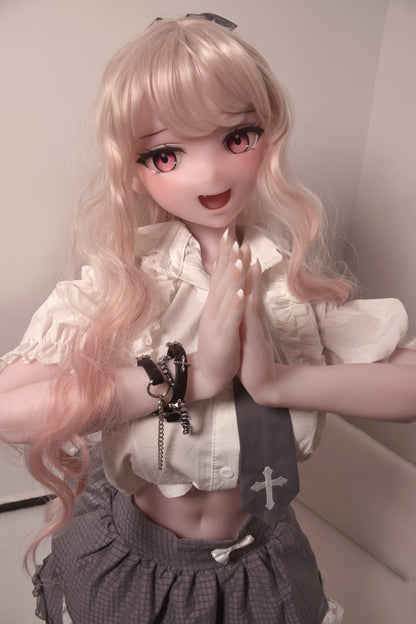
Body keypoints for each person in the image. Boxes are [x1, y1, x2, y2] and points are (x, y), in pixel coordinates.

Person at [1, 14, 415, 624]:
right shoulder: (124, 287)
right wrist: (192, 375)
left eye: (237, 137)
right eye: (167, 153)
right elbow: (9, 410)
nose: (212, 173)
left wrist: (275, 381)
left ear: (268, 135)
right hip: (134, 556)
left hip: (261, 555)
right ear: (132, 167)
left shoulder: (288, 286)